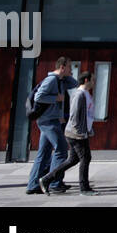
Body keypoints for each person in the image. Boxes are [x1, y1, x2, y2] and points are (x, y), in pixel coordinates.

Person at [26, 57, 78, 195]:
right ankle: (55, 182)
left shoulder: (61, 81)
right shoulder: (51, 80)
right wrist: (55, 98)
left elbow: (75, 83)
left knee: (43, 154)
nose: (71, 69)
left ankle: (33, 185)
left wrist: (67, 76)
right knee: (61, 148)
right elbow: (38, 97)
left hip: (50, 120)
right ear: (62, 66)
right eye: (69, 67)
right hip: (48, 121)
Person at [39, 72, 95, 196]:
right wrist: (80, 132)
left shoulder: (85, 94)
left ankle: (46, 179)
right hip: (76, 133)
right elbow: (74, 115)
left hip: (79, 132)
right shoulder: (80, 94)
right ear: (86, 80)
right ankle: (84, 188)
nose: (93, 82)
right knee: (85, 158)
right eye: (92, 80)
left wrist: (88, 129)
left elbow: (86, 115)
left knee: (73, 159)